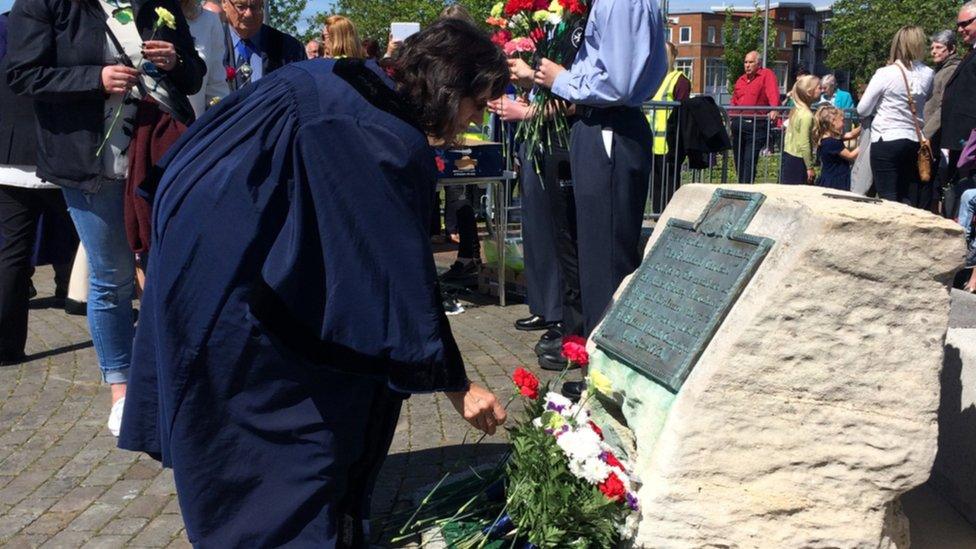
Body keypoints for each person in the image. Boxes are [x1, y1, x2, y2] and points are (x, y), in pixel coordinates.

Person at [117, 19, 509, 546]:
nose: (474, 119)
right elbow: (392, 273)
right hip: (247, 299)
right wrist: (456, 383)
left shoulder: (327, 77)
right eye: (477, 103)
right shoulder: (381, 136)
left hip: (202, 258)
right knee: (287, 451)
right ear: (447, 85)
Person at [6, 0, 205, 435]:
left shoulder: (158, 2)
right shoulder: (46, 4)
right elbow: (20, 74)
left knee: (171, 268)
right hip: (88, 160)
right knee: (112, 277)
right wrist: (94, 79)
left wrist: (176, 62)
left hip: (159, 155)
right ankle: (122, 389)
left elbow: (194, 76)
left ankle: (174, 375)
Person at [529, 0, 666, 397]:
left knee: (606, 262)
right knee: (596, 258)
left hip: (610, 126)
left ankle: (608, 381)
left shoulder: (620, 2)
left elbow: (617, 83)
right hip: (601, 125)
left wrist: (562, 79)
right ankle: (601, 371)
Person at [0, 11, 78, 365]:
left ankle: (6, 346)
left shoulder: (6, 23)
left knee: (11, 254)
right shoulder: (74, 23)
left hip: (15, 151)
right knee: (88, 243)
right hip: (59, 148)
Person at [857, 25, 934, 208]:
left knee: (887, 197)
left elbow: (862, 109)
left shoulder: (885, 73)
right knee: (906, 195)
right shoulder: (929, 73)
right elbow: (926, 99)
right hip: (914, 139)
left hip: (887, 138)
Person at [941, 1, 976, 217]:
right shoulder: (971, 52)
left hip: (970, 145)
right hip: (961, 144)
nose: (961, 28)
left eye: (966, 23)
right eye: (959, 24)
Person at [221, 0, 304, 90]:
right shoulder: (211, 42)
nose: (248, 14)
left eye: (254, 7)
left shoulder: (289, 48)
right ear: (224, 3)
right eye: (240, 7)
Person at [650, 41, 691, 212]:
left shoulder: (679, 80)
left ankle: (667, 217)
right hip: (652, 143)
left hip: (670, 143)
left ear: (674, 57)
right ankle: (656, 216)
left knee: (669, 186)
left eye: (666, 54)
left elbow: (681, 112)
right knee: (656, 187)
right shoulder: (653, 79)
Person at [730, 51, 781, 183]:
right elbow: (734, 101)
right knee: (738, 159)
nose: (747, 65)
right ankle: (740, 185)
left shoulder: (766, 74)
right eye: (745, 62)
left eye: (751, 62)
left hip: (756, 124)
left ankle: (746, 187)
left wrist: (774, 108)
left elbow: (772, 92)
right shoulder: (740, 80)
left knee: (749, 160)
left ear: (758, 63)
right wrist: (730, 117)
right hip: (738, 123)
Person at [182, 0, 230, 117]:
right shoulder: (135, 17)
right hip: (141, 126)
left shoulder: (209, 20)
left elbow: (216, 88)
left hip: (191, 128)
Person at [781, 75, 820, 185]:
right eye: (818, 88)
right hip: (799, 160)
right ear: (809, 92)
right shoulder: (807, 115)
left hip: (789, 155)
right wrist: (809, 167)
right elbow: (804, 143)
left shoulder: (796, 110)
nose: (821, 90)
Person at [813, 105, 860, 191]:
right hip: (836, 181)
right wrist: (866, 143)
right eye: (842, 120)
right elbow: (850, 155)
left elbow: (851, 135)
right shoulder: (832, 142)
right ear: (833, 121)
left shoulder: (826, 138)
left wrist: (863, 126)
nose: (844, 123)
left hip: (829, 177)